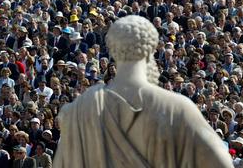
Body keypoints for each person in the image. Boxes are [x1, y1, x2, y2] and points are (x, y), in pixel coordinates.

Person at [54, 15, 233, 167]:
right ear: (150, 52)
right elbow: (222, 162)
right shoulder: (176, 108)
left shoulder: (81, 110)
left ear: (114, 52)